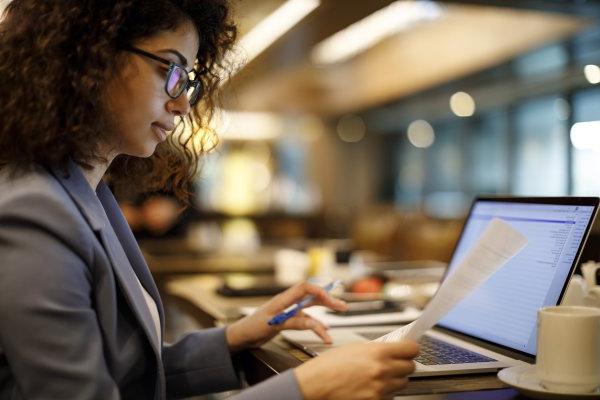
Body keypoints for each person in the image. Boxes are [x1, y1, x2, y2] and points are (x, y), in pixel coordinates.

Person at [0, 1, 419, 399]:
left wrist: (238, 335)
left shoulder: (86, 193)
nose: (182, 103)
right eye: (172, 70)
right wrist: (308, 388)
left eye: (189, 82)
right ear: (91, 54)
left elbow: (127, 376)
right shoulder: (33, 211)